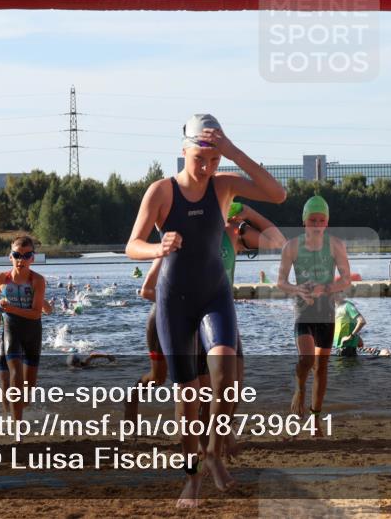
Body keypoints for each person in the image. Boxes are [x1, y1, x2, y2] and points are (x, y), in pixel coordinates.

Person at [125, 113, 285, 507]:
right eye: (201, 158)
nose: (207, 167)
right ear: (184, 151)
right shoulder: (162, 191)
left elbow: (277, 194)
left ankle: (214, 450)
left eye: (214, 160)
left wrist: (231, 150)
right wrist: (158, 248)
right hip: (174, 301)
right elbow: (132, 244)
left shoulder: (224, 186)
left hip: (215, 295)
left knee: (225, 377)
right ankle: (192, 474)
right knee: (188, 393)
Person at [278, 195, 352, 436]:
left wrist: (327, 288)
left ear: (327, 222)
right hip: (303, 310)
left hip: (326, 312)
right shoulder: (291, 247)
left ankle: (315, 418)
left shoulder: (336, 245)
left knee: (321, 367)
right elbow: (281, 282)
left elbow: (347, 280)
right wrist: (297, 289)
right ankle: (299, 387)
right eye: (312, 219)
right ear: (304, 221)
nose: (317, 224)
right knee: (307, 359)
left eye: (321, 220)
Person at [0, 235, 46, 421]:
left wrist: (10, 307)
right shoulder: (1, 278)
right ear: (10, 257)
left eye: (27, 256)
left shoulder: (37, 280)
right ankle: (16, 427)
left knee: (27, 393)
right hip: (11, 329)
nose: (21, 260)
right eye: (17, 255)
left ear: (33, 258)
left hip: (32, 332)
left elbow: (36, 313)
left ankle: (14, 411)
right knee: (13, 377)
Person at [332, 293, 366, 357]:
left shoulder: (347, 305)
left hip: (347, 347)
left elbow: (362, 321)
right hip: (339, 346)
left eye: (338, 292)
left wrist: (351, 336)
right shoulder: (335, 307)